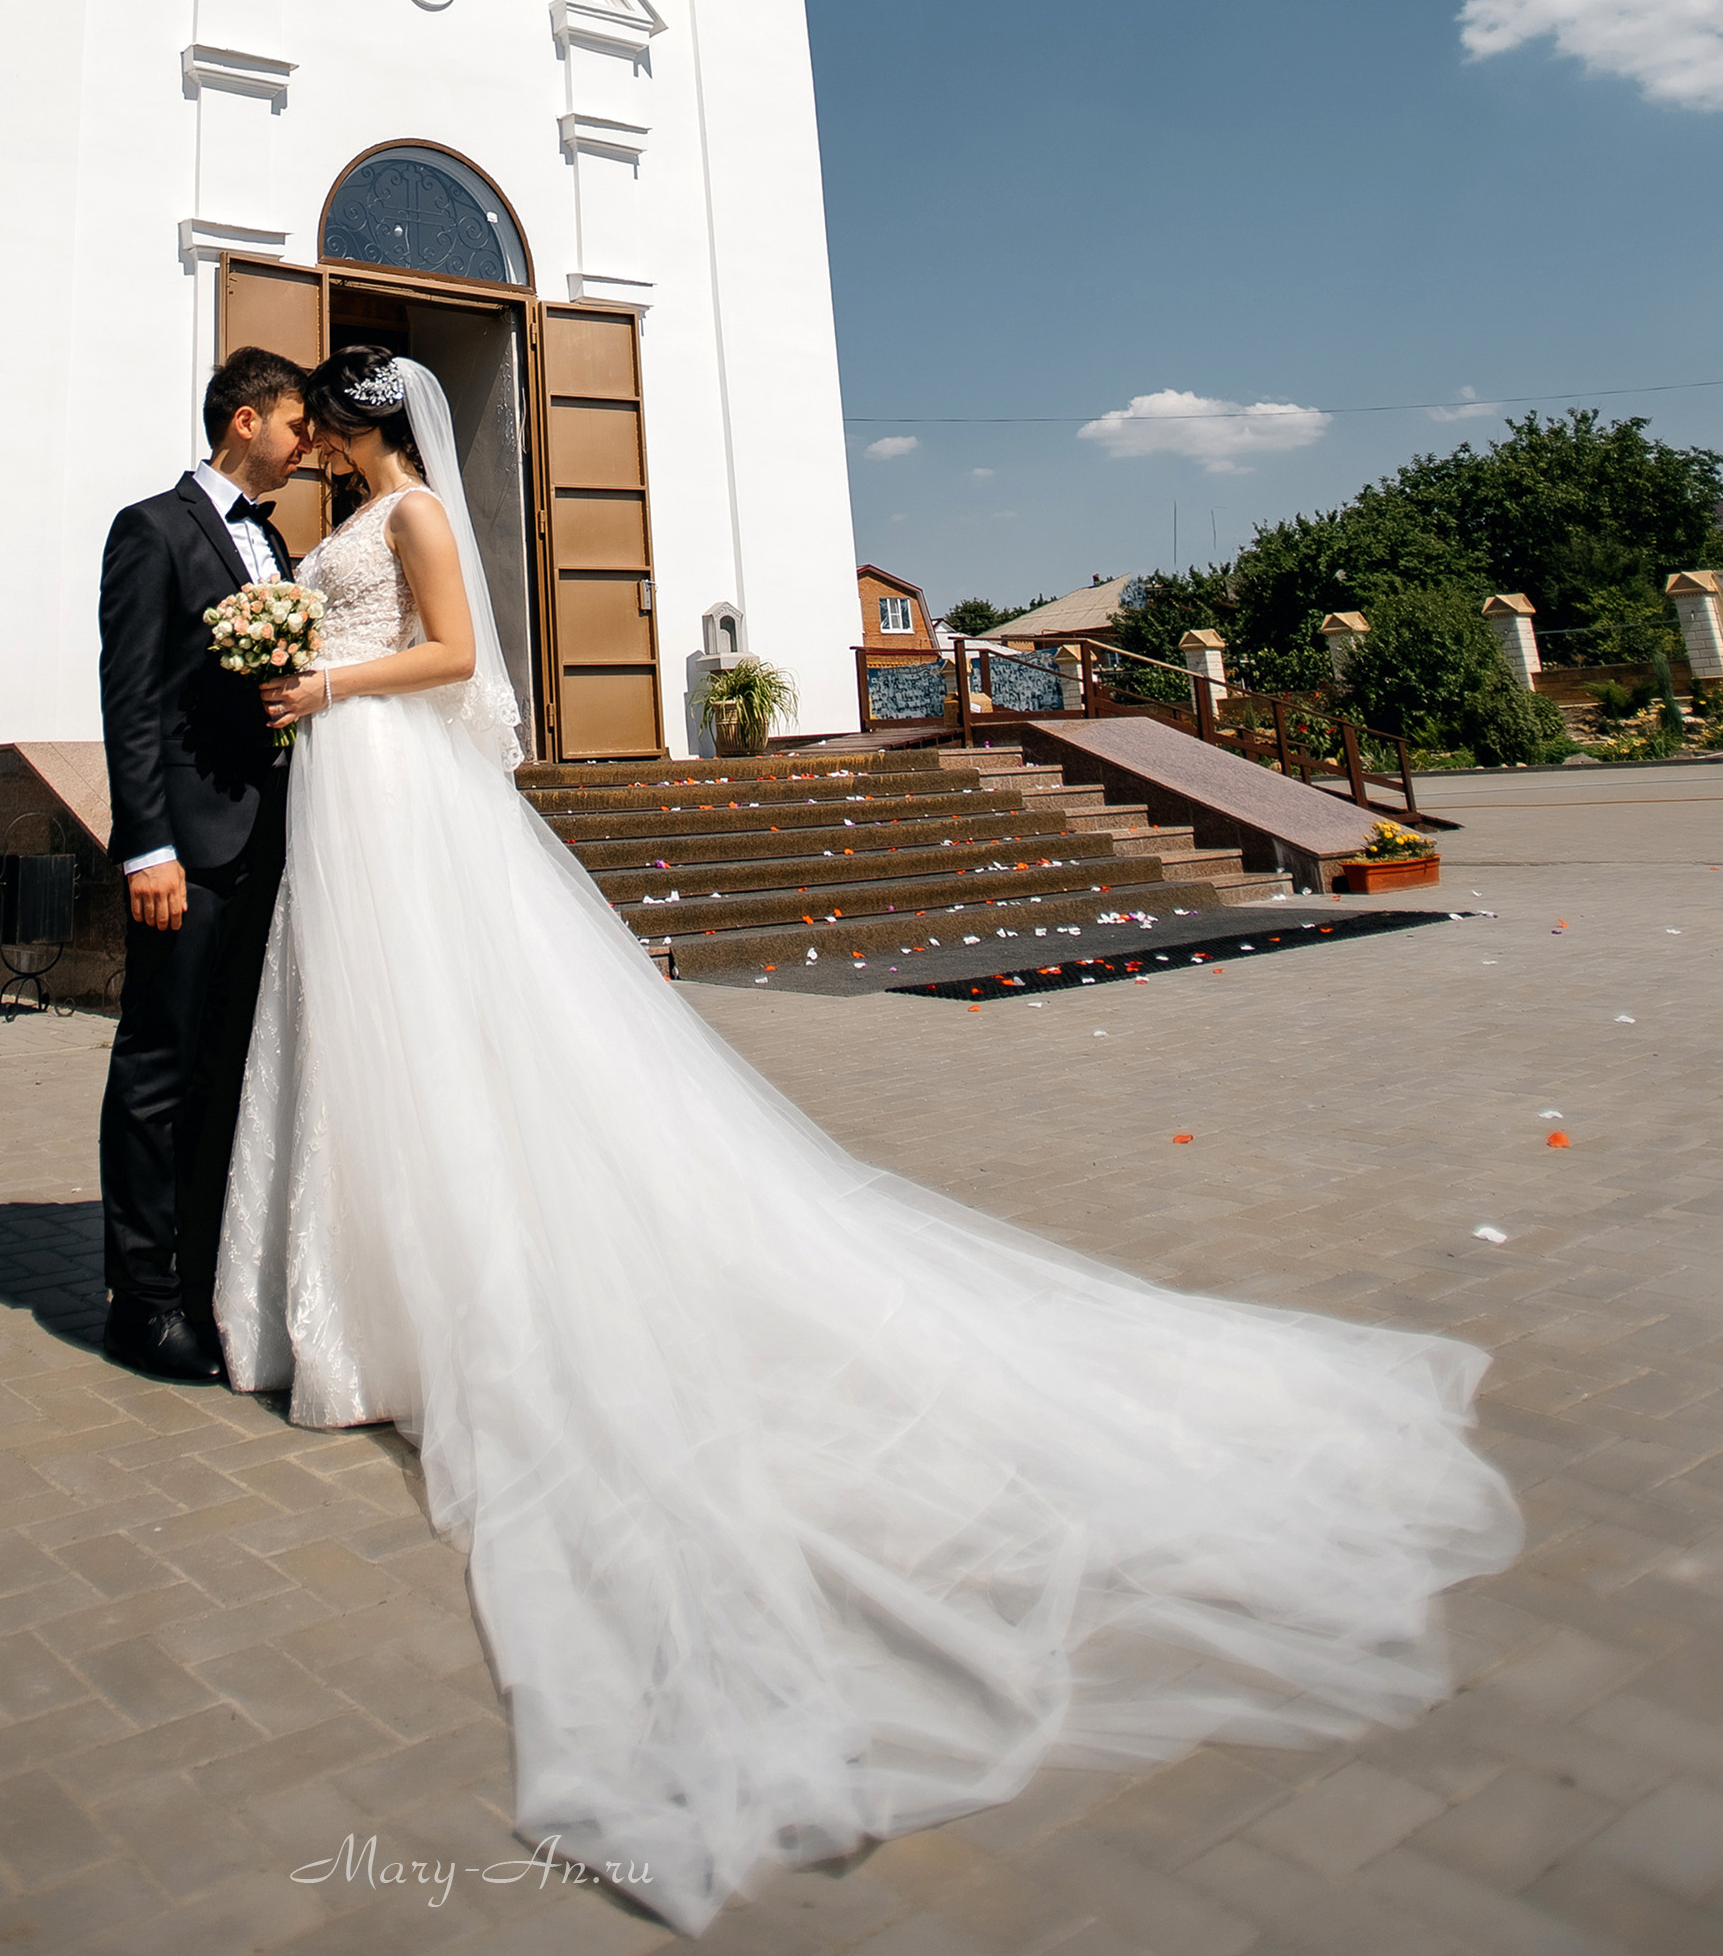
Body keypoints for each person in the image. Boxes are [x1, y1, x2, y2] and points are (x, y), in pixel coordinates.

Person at [215, 346, 1523, 1937]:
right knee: (379, 1022)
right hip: (349, 788)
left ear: (358, 421)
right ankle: (373, 1297)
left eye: (322, 420)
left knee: (430, 1015)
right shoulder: (339, 522)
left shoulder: (413, 512)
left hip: (381, 770)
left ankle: (440, 1297)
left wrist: (325, 680)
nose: (311, 440)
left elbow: (457, 654)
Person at [93, 343, 309, 1382]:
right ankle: (139, 1302)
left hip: (264, 844)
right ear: (244, 421)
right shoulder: (152, 529)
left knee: (227, 1066)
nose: (307, 444)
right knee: (159, 1068)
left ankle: (202, 1280)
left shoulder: (276, 542)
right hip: (183, 851)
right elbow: (131, 698)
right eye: (296, 424)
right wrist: (148, 847)